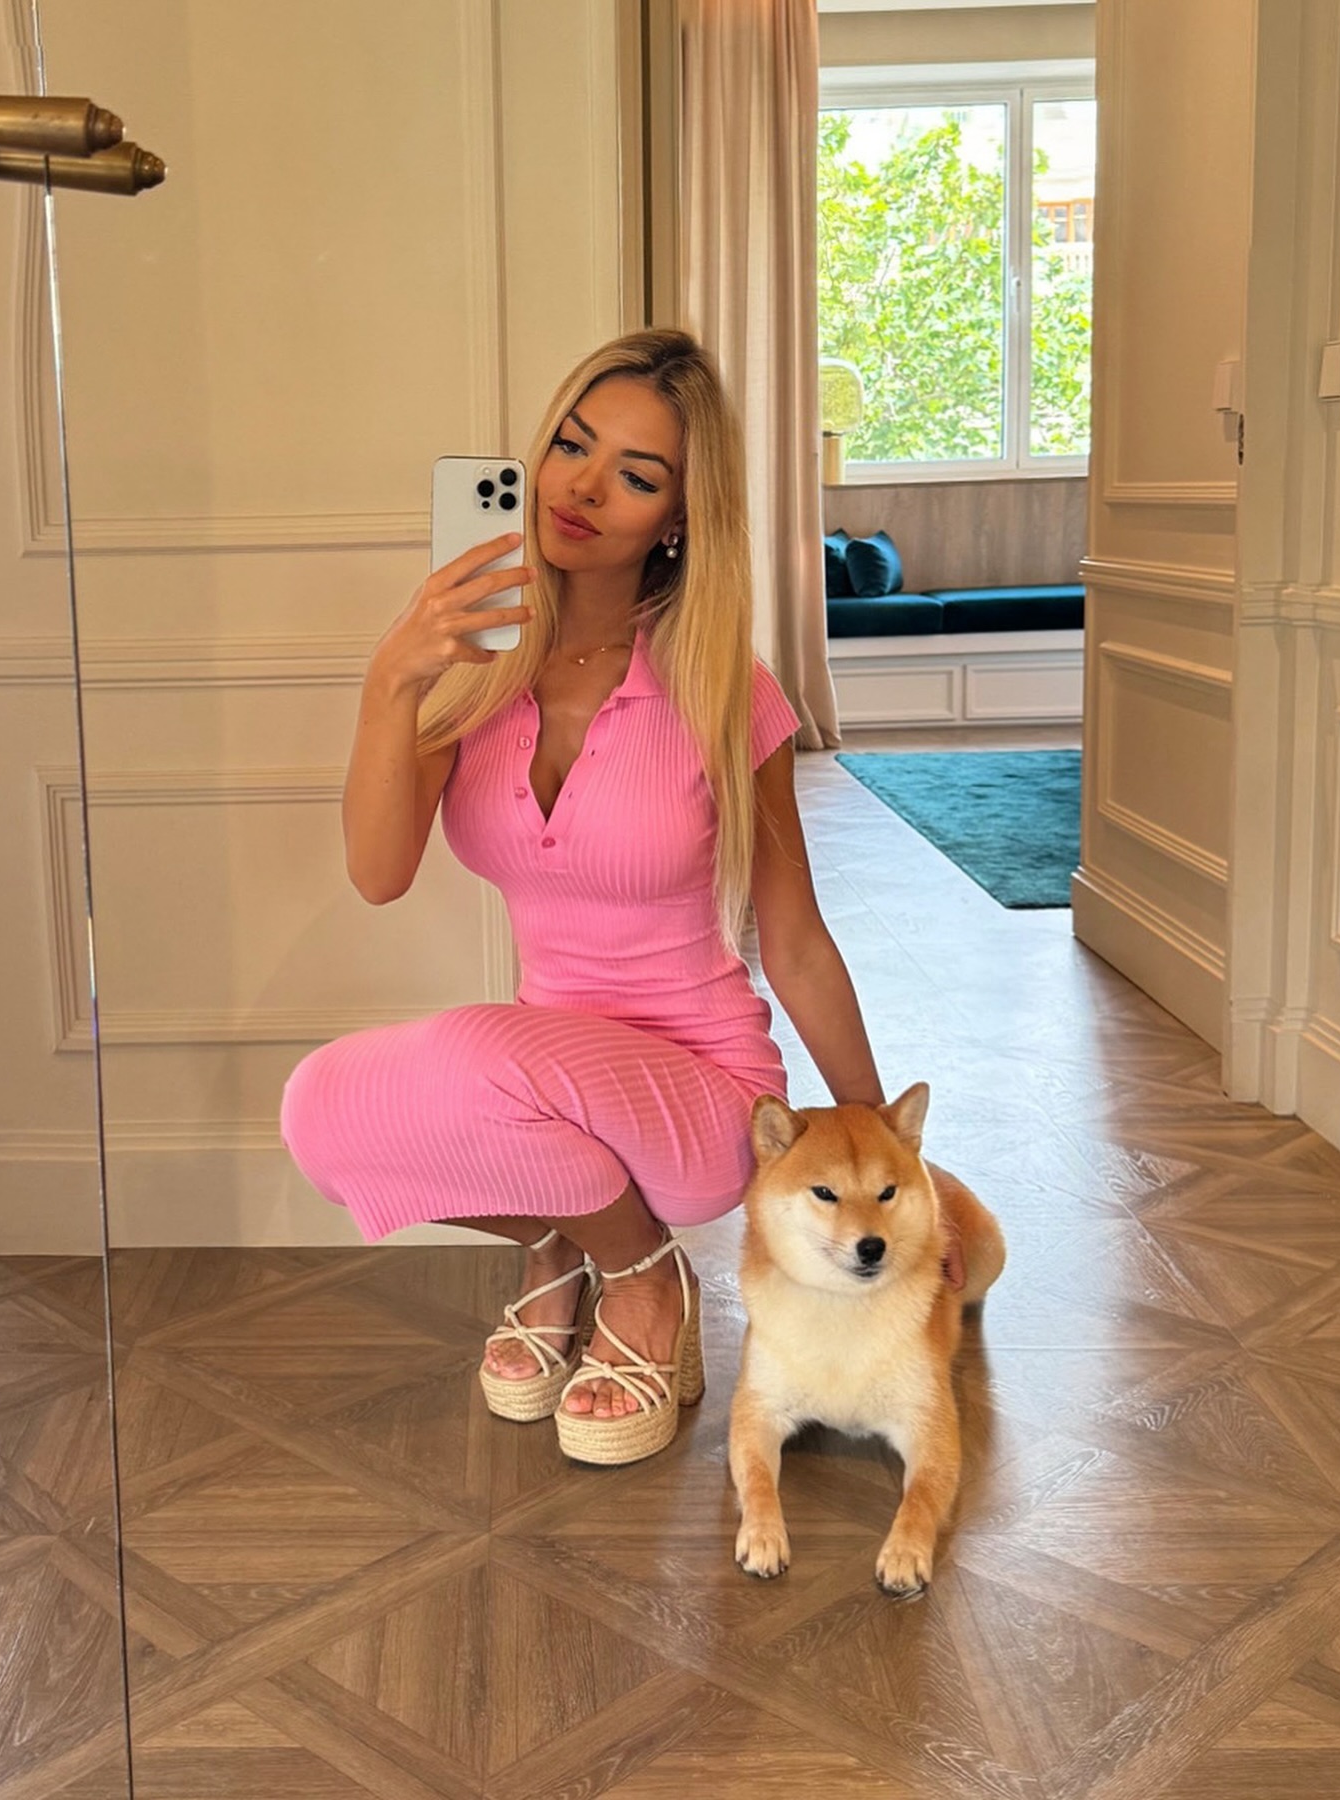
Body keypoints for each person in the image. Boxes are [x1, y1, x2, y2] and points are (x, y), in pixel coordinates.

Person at [281, 329, 901, 1467]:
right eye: (572, 446)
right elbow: (378, 873)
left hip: (701, 1096)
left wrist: (884, 1159)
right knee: (318, 1112)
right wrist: (392, 681)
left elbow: (796, 941)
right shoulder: (477, 677)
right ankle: (582, 1245)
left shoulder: (722, 687)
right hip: (546, 1086)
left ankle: (640, 1275)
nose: (581, 488)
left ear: (678, 518)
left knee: (478, 1052)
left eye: (636, 474)